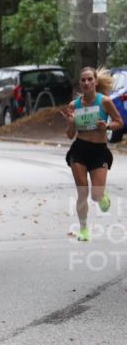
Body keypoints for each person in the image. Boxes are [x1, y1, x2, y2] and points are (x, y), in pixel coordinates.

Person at [61, 67, 123, 241]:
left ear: (95, 81)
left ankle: (102, 198)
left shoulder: (104, 102)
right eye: (83, 80)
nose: (86, 83)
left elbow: (119, 121)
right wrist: (71, 122)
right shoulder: (74, 105)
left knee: (96, 195)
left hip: (99, 151)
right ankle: (84, 230)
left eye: (89, 79)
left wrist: (108, 126)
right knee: (82, 192)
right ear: (80, 83)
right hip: (79, 149)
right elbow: (69, 135)